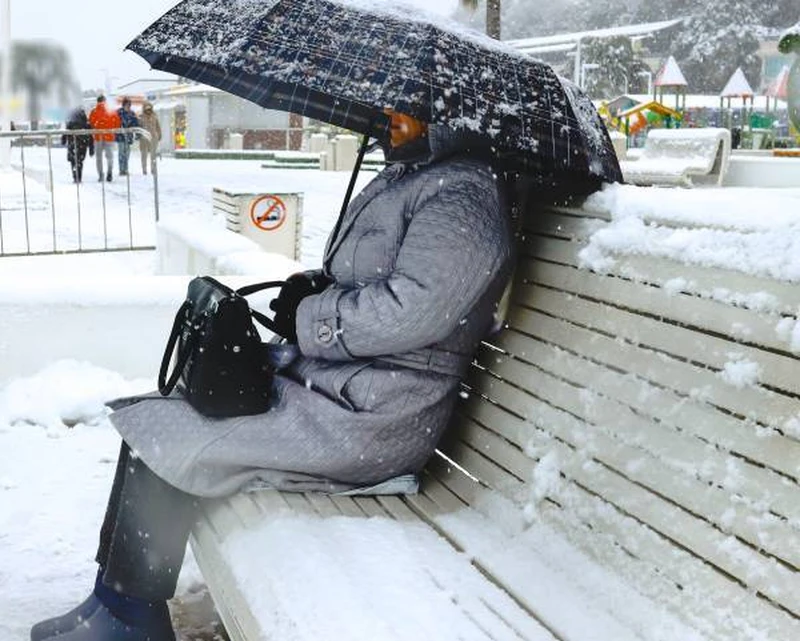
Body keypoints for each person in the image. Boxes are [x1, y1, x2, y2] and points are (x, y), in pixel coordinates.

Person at [30, 109, 517, 641]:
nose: (389, 115)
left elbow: (413, 310)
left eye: (409, 109)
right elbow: (365, 279)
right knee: (154, 419)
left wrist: (310, 317)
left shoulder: (464, 197)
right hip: (333, 388)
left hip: (373, 416)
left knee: (170, 438)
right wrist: (311, 286)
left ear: (454, 118)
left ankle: (131, 620)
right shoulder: (410, 176)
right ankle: (109, 598)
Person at [89, 95, 120, 182]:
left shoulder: (94, 111)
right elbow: (117, 122)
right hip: (109, 136)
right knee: (109, 156)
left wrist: (97, 127)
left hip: (98, 136)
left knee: (99, 157)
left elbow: (91, 123)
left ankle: (100, 175)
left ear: (97, 101)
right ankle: (109, 172)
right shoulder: (111, 111)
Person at [62, 107, 94, 184]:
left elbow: (65, 133)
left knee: (73, 161)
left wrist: (63, 140)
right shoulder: (86, 124)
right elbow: (90, 137)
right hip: (83, 145)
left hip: (73, 144)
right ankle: (79, 177)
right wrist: (91, 148)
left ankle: (75, 176)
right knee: (80, 162)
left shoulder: (71, 123)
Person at [117, 98, 139, 177]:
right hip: (120, 136)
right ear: (123, 105)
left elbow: (135, 123)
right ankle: (121, 169)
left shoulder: (132, 113)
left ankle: (125, 169)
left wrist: (134, 130)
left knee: (127, 154)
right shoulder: (119, 112)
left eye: (129, 105)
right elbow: (116, 122)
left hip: (128, 136)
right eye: (127, 105)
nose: (128, 106)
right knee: (121, 153)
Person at [138, 103, 162, 175]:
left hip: (153, 137)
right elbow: (139, 128)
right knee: (144, 155)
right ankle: (144, 169)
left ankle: (153, 169)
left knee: (153, 155)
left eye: (149, 109)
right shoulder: (141, 117)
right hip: (143, 138)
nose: (148, 110)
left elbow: (158, 126)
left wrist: (159, 134)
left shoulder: (154, 116)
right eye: (147, 109)